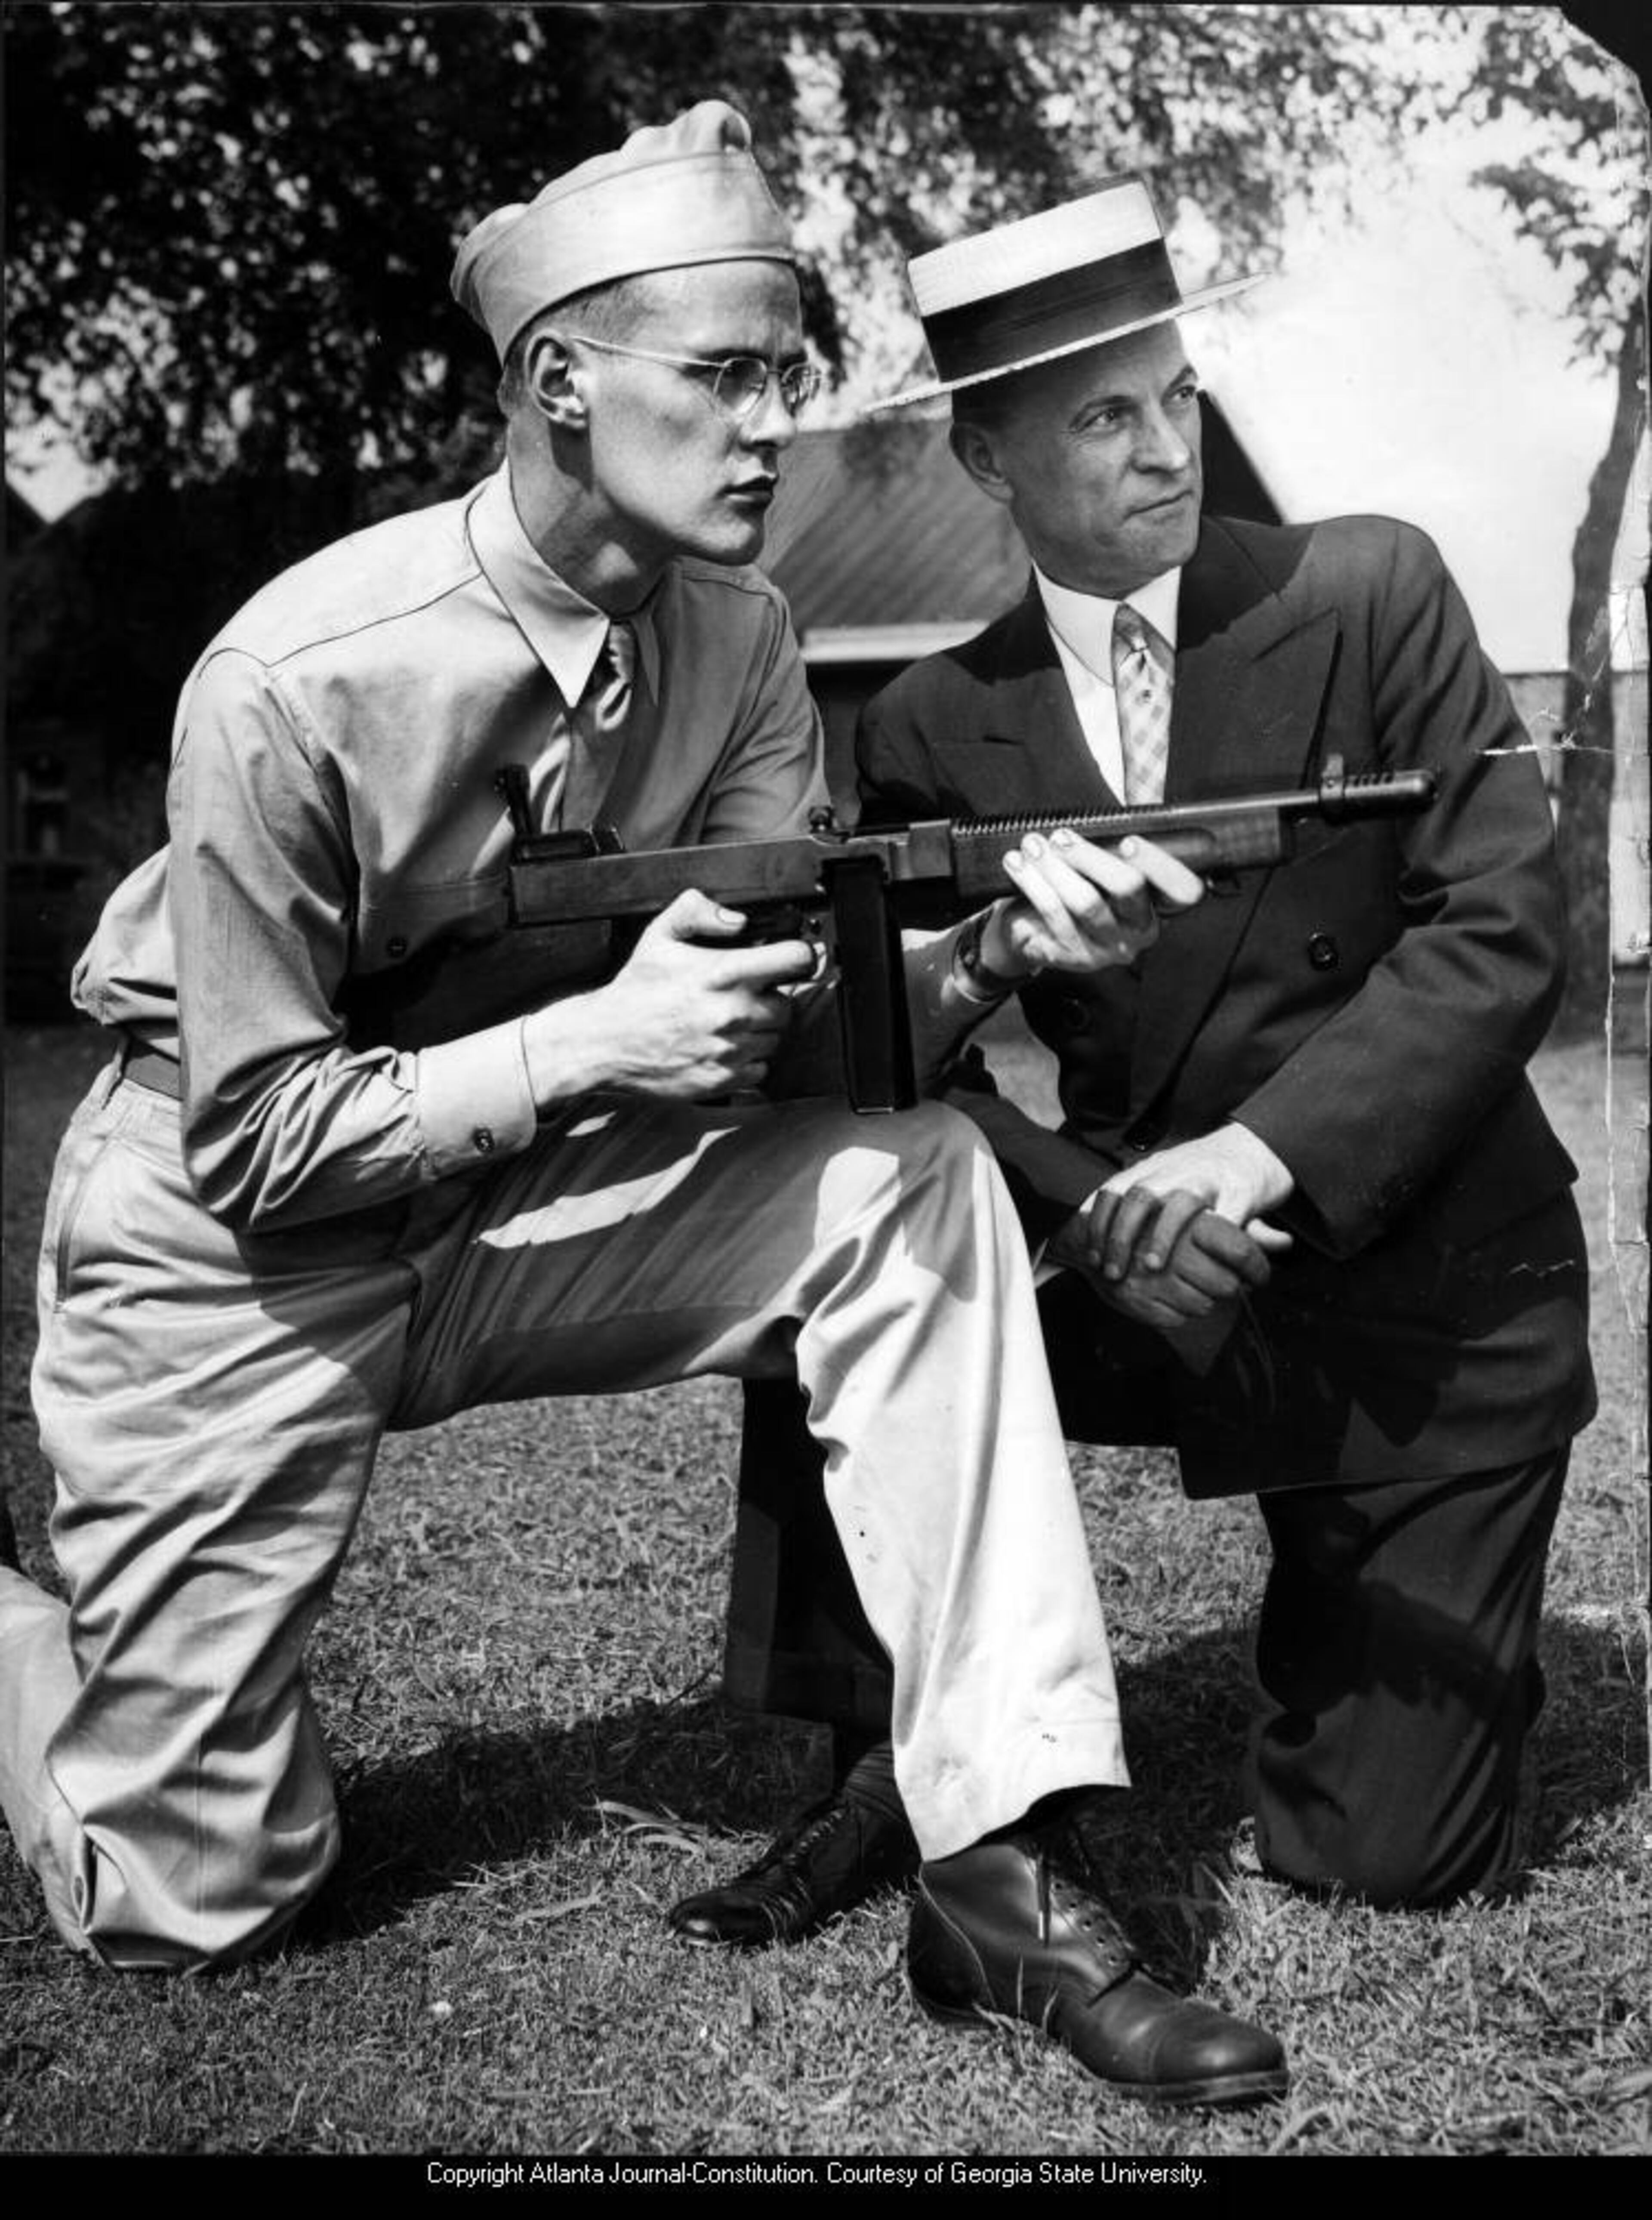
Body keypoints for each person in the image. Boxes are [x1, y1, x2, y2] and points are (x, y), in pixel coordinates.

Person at [0, 107, 1288, 2111]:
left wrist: (994, 959)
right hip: (226, 1245)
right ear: (556, 385)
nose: (776, 424)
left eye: (789, 371)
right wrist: (591, 1050)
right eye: (725, 376)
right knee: (191, 1905)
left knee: (917, 1178)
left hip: (528, 1209)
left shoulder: (745, 640)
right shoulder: (295, 677)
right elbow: (255, 1143)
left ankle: (1000, 1868)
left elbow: (806, 1033)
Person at [677, 169, 1597, 1951]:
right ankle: (876, 1756)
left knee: (1384, 1856)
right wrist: (1084, 1200)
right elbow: (885, 1057)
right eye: (1106, 418)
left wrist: (1252, 1160)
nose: (1170, 449)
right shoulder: (937, 717)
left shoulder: (1371, 588)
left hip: (1425, 1295)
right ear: (987, 457)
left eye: (1175, 395)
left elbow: (1502, 928)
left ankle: (1387, 1626)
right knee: (840, 1242)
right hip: (1145, 1275)